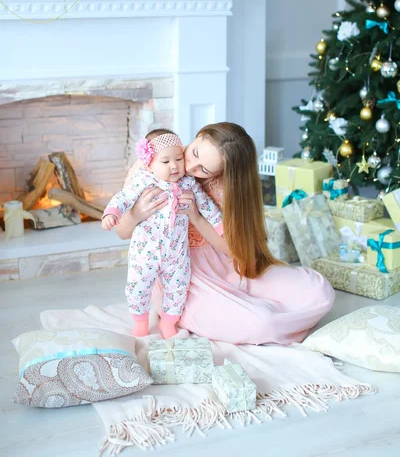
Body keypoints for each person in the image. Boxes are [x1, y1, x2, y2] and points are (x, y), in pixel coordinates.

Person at [115, 122, 335, 345]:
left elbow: (235, 249)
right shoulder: (156, 164)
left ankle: (256, 306)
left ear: (221, 172)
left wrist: (197, 218)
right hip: (182, 271)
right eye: (194, 153)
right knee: (262, 323)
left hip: (228, 265)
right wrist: (136, 215)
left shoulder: (228, 186)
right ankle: (233, 313)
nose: (190, 168)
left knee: (319, 291)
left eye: (204, 169)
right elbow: (121, 231)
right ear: (198, 135)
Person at [102, 129, 223, 339]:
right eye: (165, 161)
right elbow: (123, 198)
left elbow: (207, 206)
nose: (174, 166)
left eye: (178, 158)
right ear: (150, 164)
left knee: (178, 289)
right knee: (137, 287)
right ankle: (140, 323)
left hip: (176, 253)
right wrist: (112, 213)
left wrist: (219, 225)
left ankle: (168, 323)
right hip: (145, 252)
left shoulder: (189, 184)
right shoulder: (143, 181)